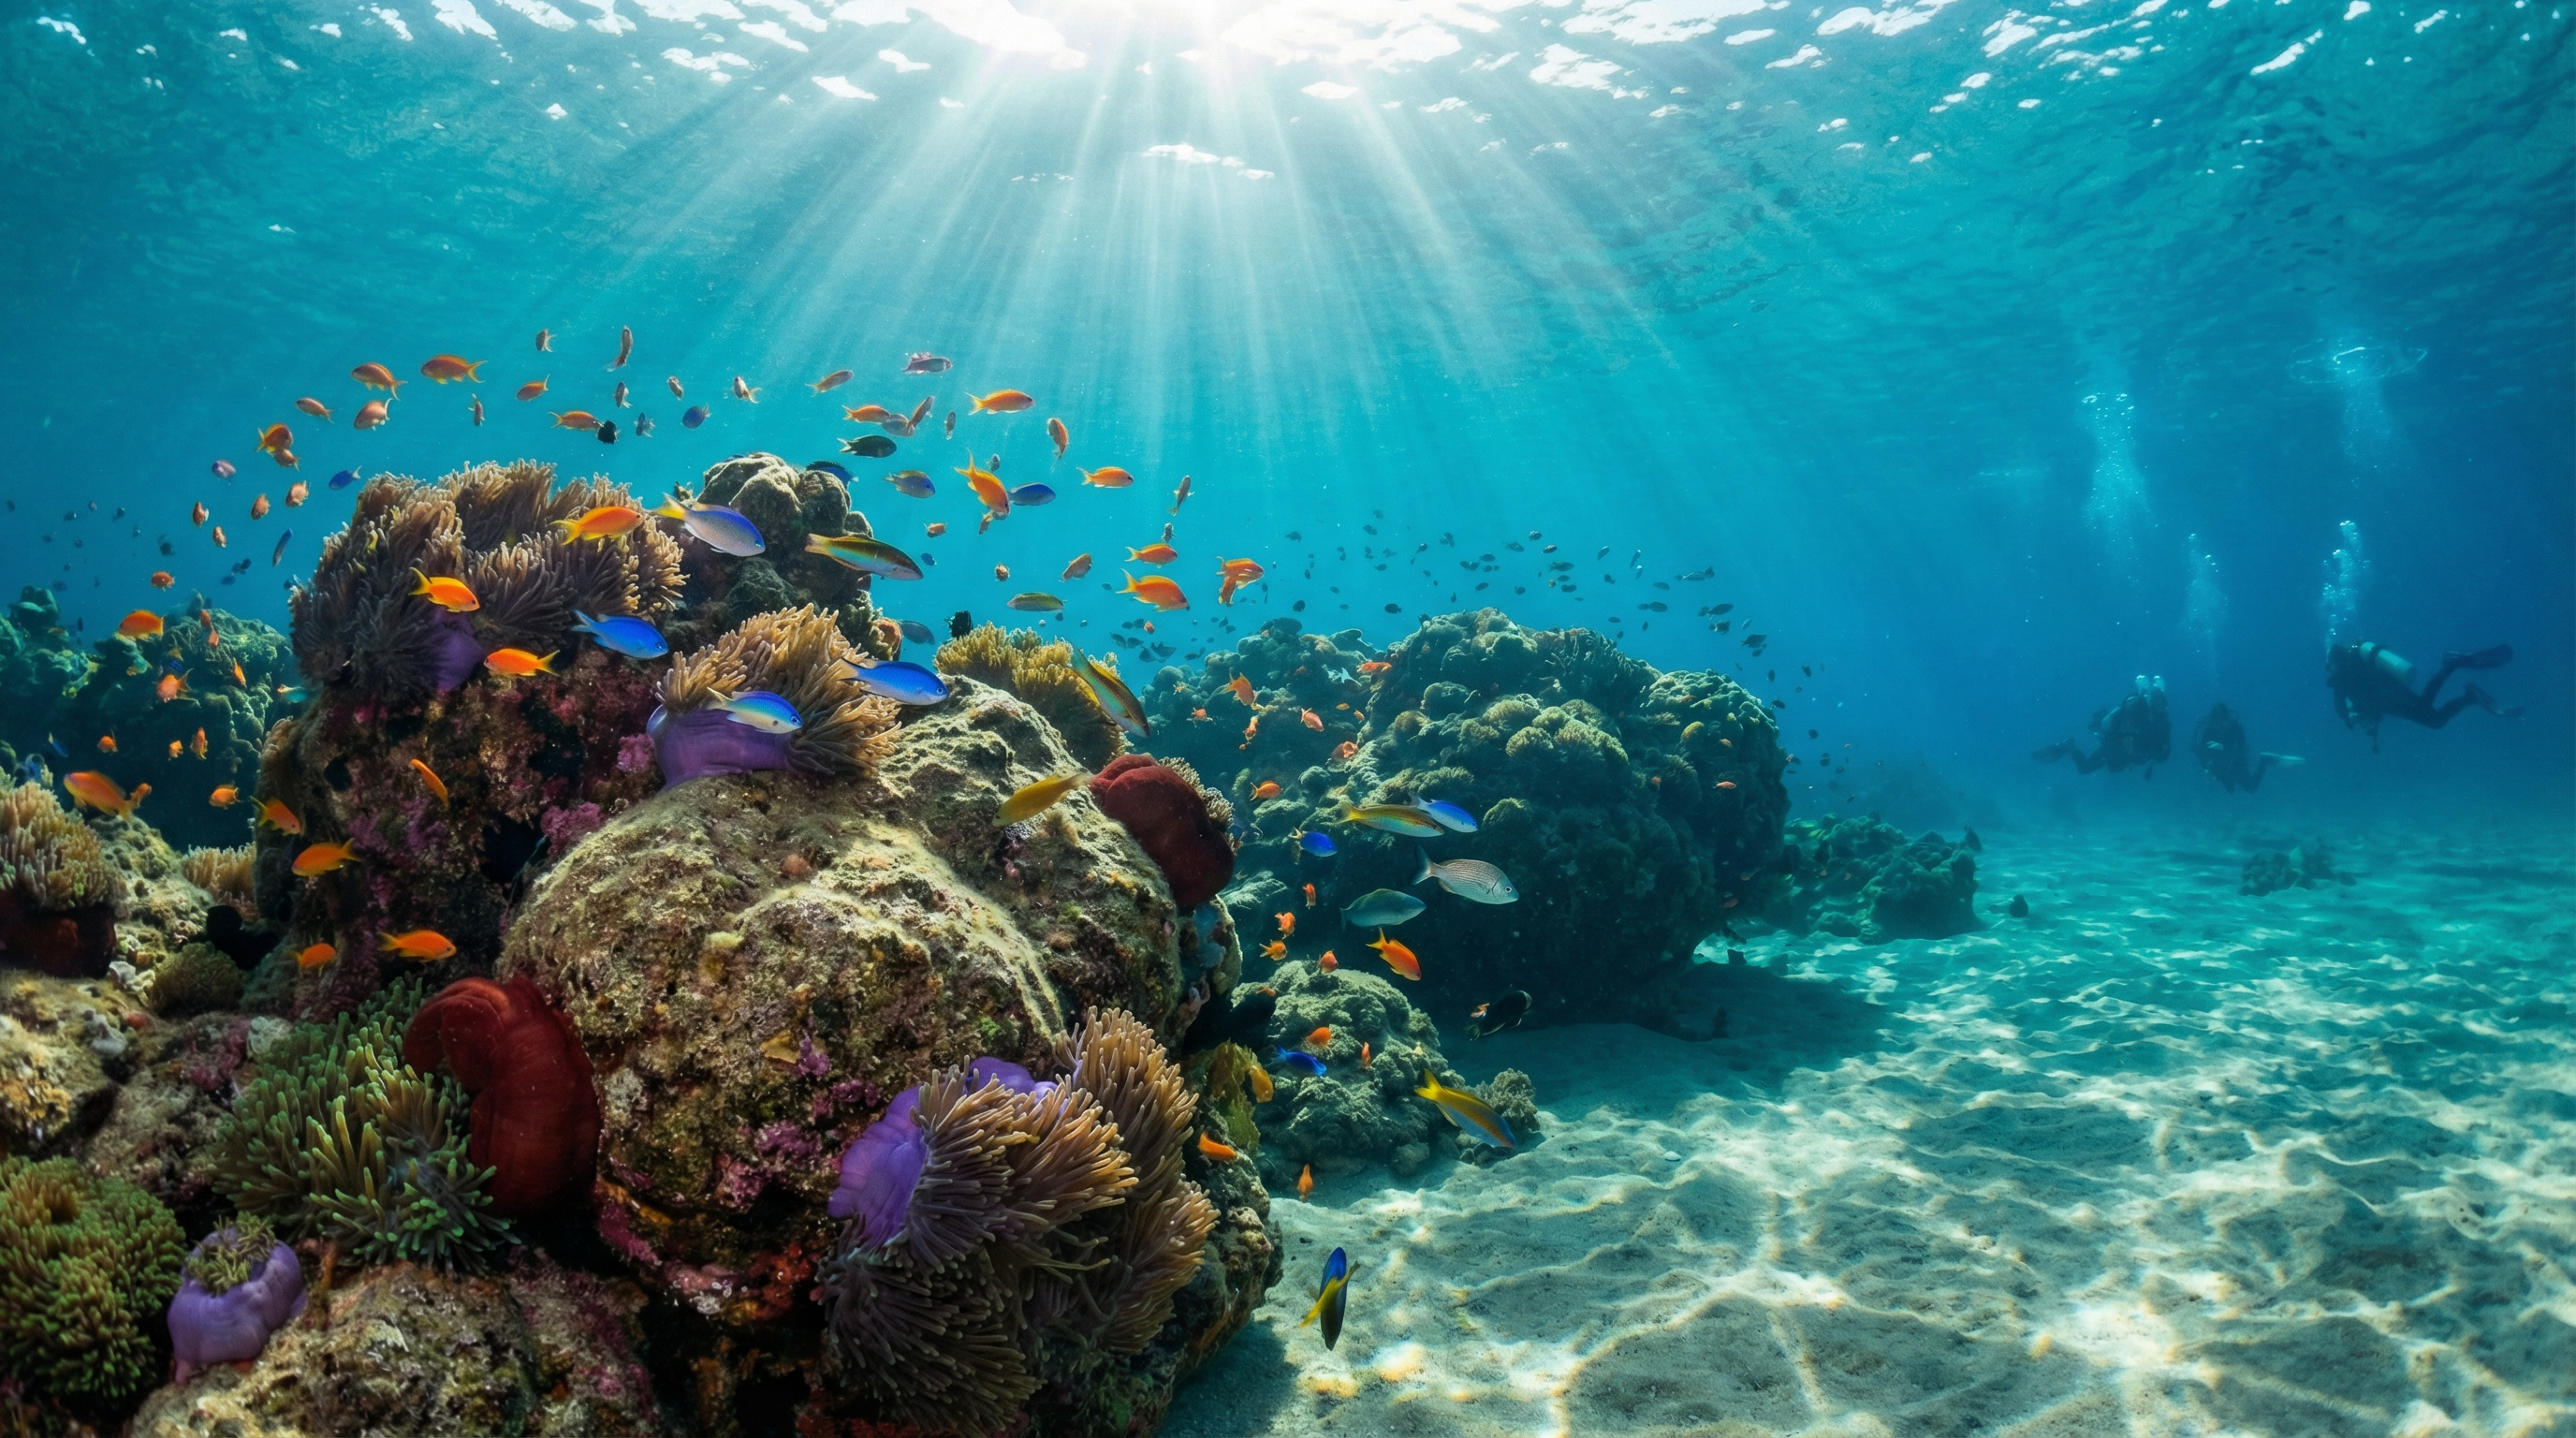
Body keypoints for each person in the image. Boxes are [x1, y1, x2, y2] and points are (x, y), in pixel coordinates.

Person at [2325, 641, 2521, 749]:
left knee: (2431, 716)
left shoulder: (2340, 677)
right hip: (2394, 692)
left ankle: (2452, 667)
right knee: (2433, 719)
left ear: (2333, 662)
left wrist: (2348, 721)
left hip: (2390, 700)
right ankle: (2468, 695)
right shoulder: (2356, 662)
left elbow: (2341, 708)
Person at [2034, 675, 2172, 778]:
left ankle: (2070, 747)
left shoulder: (2160, 720)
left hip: (2123, 749)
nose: (2161, 707)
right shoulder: (2137, 711)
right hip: (2114, 745)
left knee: (2105, 768)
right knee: (2090, 769)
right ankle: (2070, 746)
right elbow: (2124, 733)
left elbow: (2161, 749)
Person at [2193, 702, 2300, 793]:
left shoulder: (2235, 727)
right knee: (2228, 787)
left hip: (2236, 764)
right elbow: (2200, 752)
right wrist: (2207, 767)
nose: (2220, 728)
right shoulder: (2208, 732)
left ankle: (2264, 761)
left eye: (2222, 724)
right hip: (2220, 766)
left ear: (2227, 720)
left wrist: (2224, 749)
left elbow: (2243, 749)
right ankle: (2228, 780)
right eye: (2217, 725)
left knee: (2251, 788)